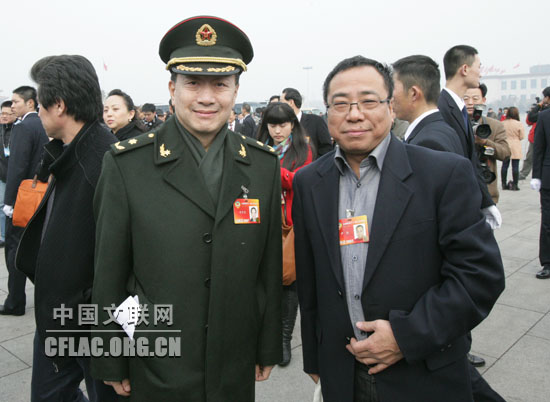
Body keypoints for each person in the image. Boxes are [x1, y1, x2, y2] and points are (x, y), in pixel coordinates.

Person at [91, 16, 282, 401]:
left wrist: (267, 345)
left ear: (236, 90)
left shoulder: (262, 165)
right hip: (158, 360)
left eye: (221, 84)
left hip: (234, 359)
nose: (207, 97)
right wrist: (111, 355)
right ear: (172, 89)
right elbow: (109, 270)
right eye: (193, 82)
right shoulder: (128, 164)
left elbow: (268, 268)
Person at [293, 55, 504, 402]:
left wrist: (405, 337)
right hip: (343, 372)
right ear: (327, 113)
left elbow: (480, 276)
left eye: (369, 101)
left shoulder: (443, 174)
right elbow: (311, 282)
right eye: (341, 104)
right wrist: (316, 359)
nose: (354, 114)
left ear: (391, 108)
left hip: (422, 374)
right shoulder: (309, 182)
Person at [14, 55, 118, 402]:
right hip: (58, 315)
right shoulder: (70, 151)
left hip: (88, 323)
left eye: (40, 102)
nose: (37, 111)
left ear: (58, 105)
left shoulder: (104, 163)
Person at [257, 101, 314, 367]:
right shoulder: (259, 147)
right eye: (272, 125)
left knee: (289, 281)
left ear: (292, 125)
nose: (277, 131)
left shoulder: (303, 149)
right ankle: (265, 335)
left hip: (290, 225)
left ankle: (284, 338)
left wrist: (268, 166)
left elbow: (297, 181)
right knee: (264, 281)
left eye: (282, 125)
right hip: (260, 222)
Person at [438, 45, 501, 229]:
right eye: (479, 67)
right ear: (464, 69)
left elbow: (471, 159)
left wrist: (486, 202)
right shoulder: (442, 108)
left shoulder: (459, 108)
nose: (480, 73)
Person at [0, 86, 49, 316]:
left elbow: (16, 167)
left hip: (23, 198)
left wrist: (9, 202)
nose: (12, 106)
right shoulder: (43, 124)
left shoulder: (23, 127)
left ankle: (15, 302)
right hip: (41, 194)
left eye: (15, 102)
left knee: (14, 250)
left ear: (30, 103)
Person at [392, 55, 462, 154]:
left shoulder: (428, 143)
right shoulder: (440, 130)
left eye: (393, 88)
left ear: (414, 93)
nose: (390, 96)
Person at [463, 84, 511, 203]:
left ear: (483, 100)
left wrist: (485, 142)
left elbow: (505, 153)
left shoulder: (494, 125)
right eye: (465, 98)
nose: (470, 103)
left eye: (475, 99)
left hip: (487, 192)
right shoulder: (452, 124)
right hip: (461, 192)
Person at [281, 87, 333, 157]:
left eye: (281, 102)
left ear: (291, 102)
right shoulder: (279, 124)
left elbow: (326, 149)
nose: (279, 106)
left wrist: (314, 163)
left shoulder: (316, 121)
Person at [532, 107, 550, 279]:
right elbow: (538, 148)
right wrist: (536, 176)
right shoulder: (544, 116)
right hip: (548, 177)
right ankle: (547, 262)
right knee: (547, 222)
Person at [520, 87, 550, 180]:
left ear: (547, 97)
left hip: (538, 139)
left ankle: (526, 174)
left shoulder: (544, 112)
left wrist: (538, 106)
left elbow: (531, 117)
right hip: (537, 138)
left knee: (533, 157)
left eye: (544, 97)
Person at [0, 101, 16, 247]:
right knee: (1, 205)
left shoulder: (19, 129)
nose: (4, 116)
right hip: (2, 174)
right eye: (2, 113)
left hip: (15, 174)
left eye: (7, 113)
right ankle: (4, 236)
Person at [501, 107, 525, 191]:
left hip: (505, 145)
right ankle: (515, 184)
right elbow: (522, 136)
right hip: (515, 145)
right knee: (515, 166)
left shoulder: (503, 123)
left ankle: (503, 184)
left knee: (504, 165)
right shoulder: (518, 123)